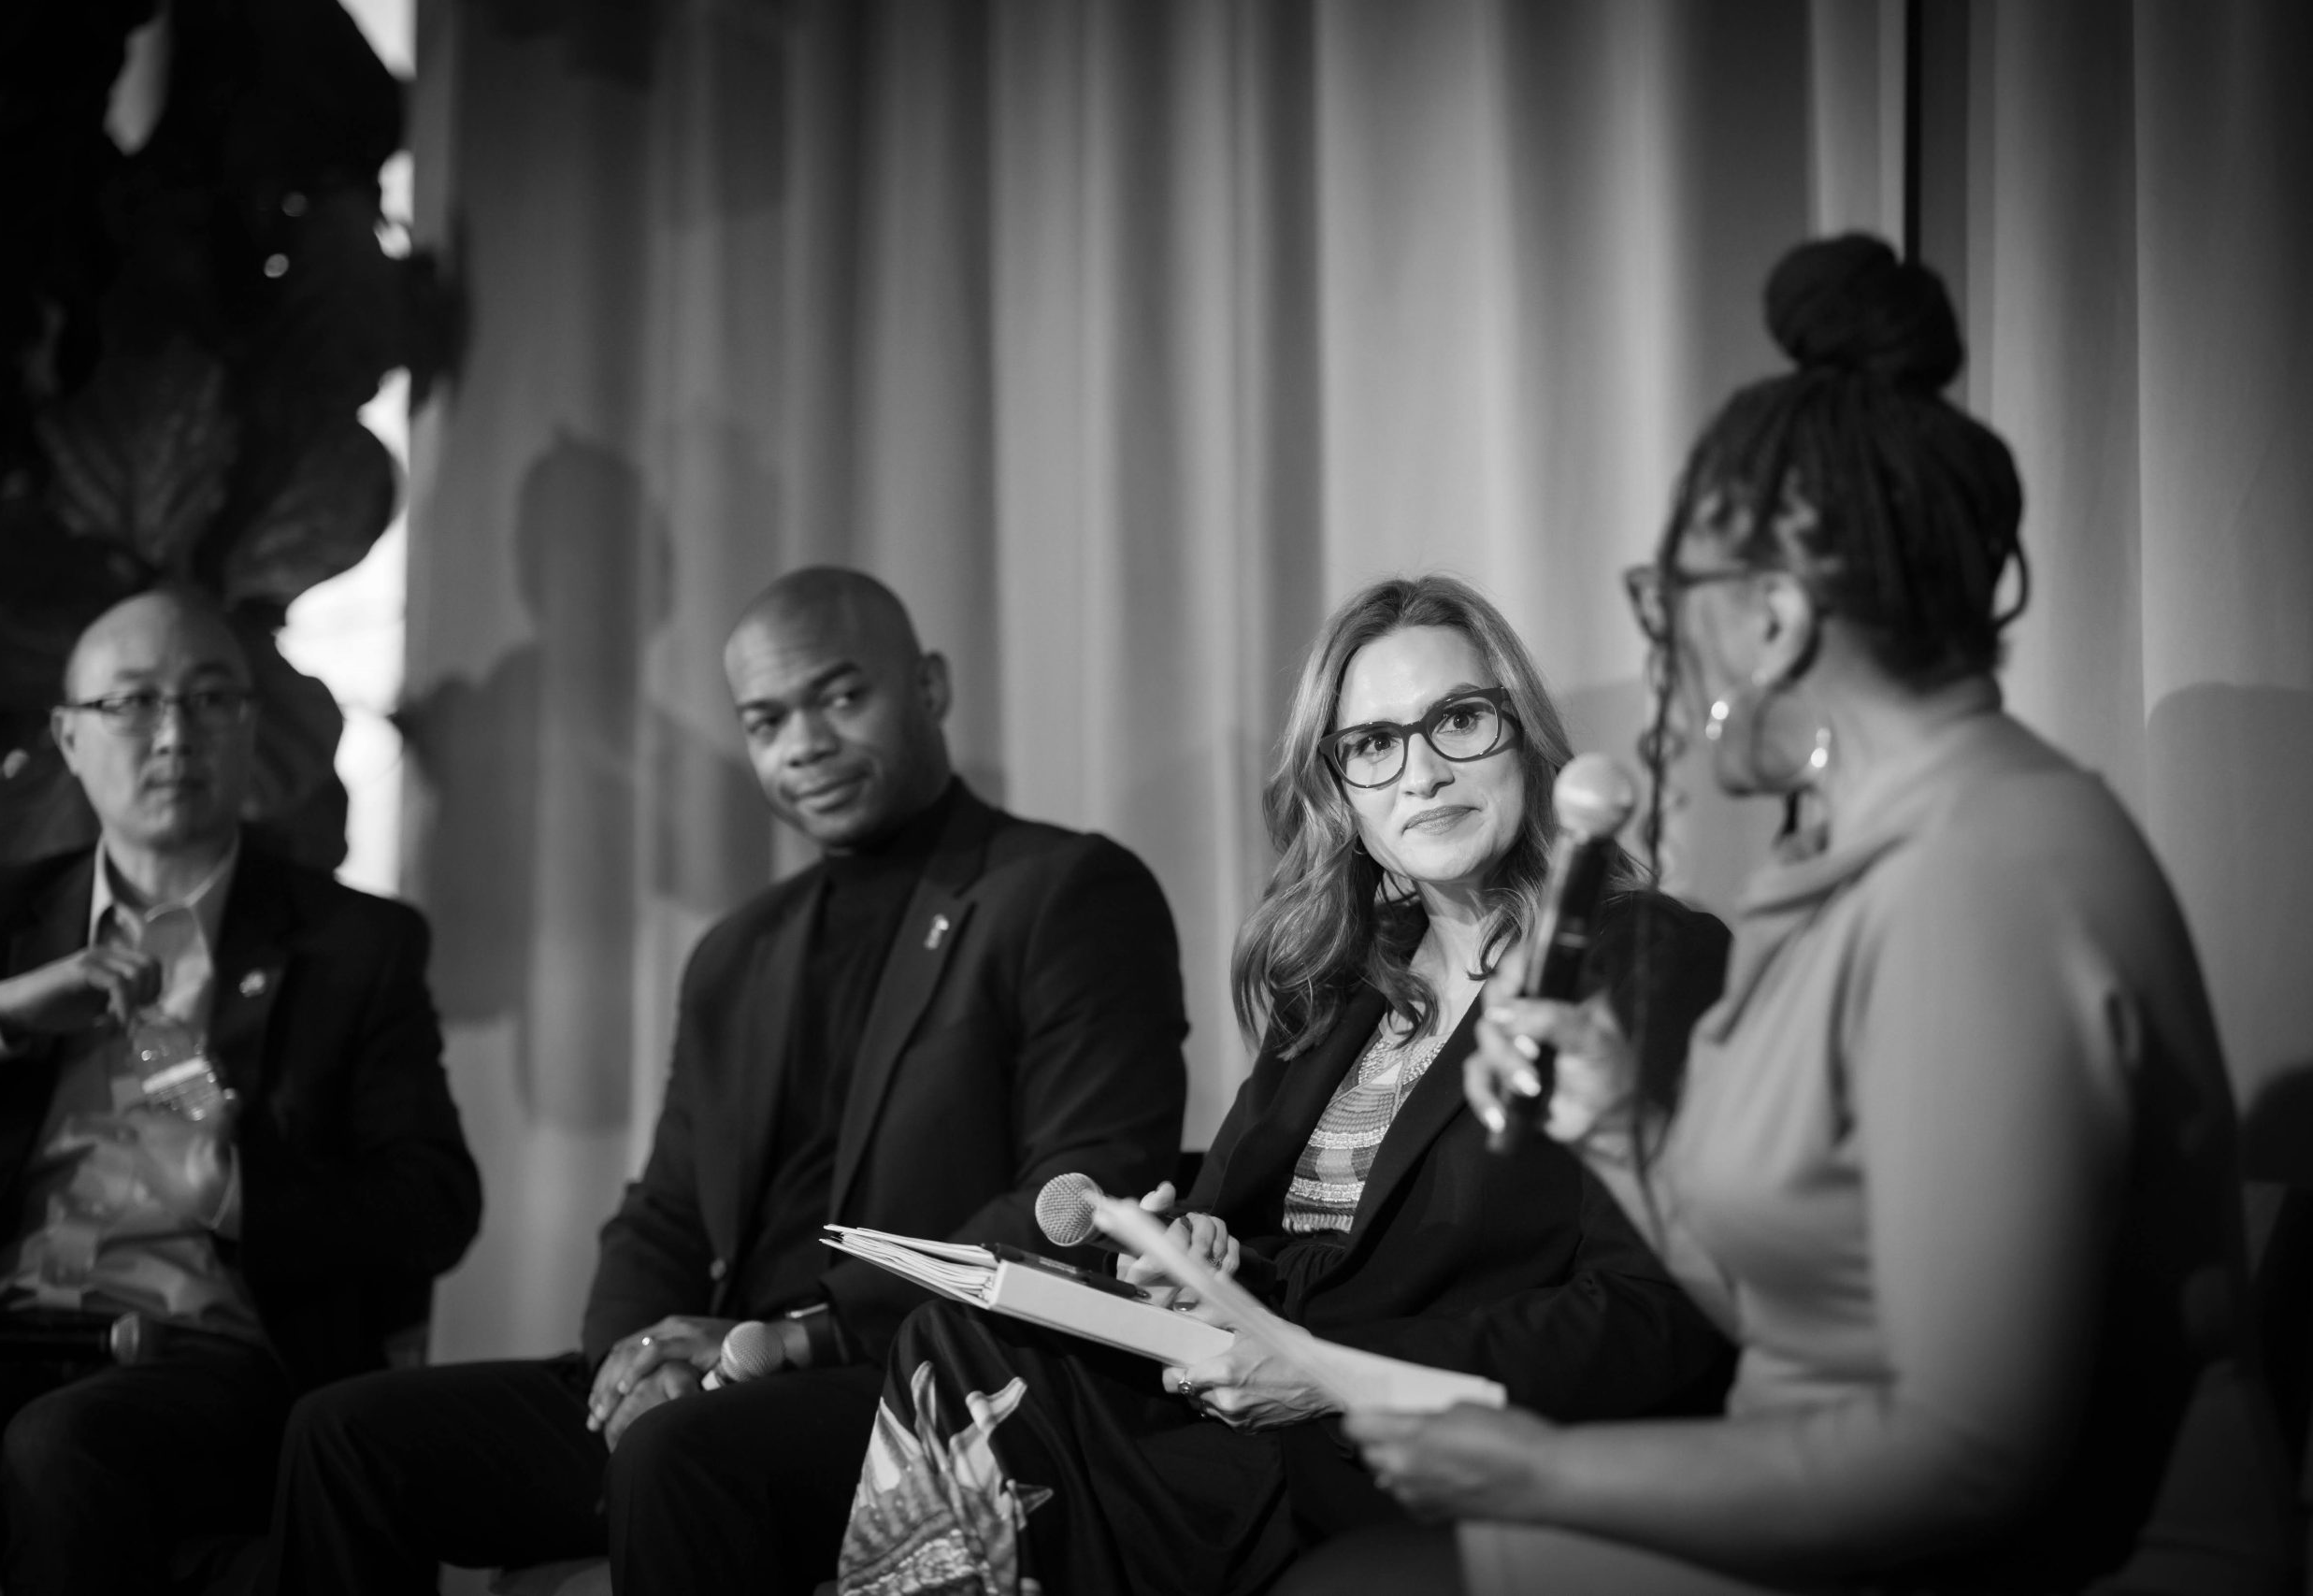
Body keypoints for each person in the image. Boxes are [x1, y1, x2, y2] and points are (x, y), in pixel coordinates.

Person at [1324, 235, 2298, 1595]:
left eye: (1674, 605)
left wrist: (1537, 1470)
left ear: (1774, 619)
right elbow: (1792, 1312)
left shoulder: (1985, 874)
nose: (1665, 656)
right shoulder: (1843, 862)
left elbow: (1968, 1461)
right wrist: (1616, 1131)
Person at [265, 567, 1189, 1595]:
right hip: (722, 1370)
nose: (804, 744)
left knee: (682, 1456)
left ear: (928, 686)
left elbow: (1081, 1196)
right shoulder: (738, 952)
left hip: (913, 1376)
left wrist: (803, 1334)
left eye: (842, 697)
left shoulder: (1063, 893)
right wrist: (630, 1362)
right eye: (766, 720)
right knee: (344, 1435)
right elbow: (664, 1210)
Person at [835, 573, 1736, 1596]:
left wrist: (1326, 1370)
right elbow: (1244, 1238)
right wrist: (1194, 1259)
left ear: (1523, 736)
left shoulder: (1638, 958)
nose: (1423, 772)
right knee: (955, 1335)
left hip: (1404, 1441)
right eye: (1374, 744)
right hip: (1241, 1407)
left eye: (1459, 720)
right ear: (1342, 793)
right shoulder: (1340, 986)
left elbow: (1655, 1313)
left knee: (989, 1407)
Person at [0, 587, 483, 1596]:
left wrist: (235, 1190)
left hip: (217, 1348)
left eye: (211, 698)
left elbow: (434, 1204)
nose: (176, 733)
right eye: (133, 702)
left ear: (251, 726)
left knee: (64, 1446)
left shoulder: (355, 945)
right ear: (68, 736)